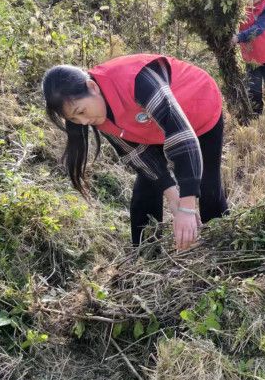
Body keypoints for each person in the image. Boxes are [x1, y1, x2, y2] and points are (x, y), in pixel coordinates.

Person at [41, 54, 228, 249]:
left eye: (81, 112)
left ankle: (223, 252)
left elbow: (179, 134)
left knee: (208, 187)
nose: (84, 122)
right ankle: (145, 256)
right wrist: (174, 198)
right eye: (75, 120)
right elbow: (137, 154)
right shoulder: (97, 113)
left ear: (92, 87)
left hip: (198, 107)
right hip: (151, 127)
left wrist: (187, 207)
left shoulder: (136, 79)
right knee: (145, 191)